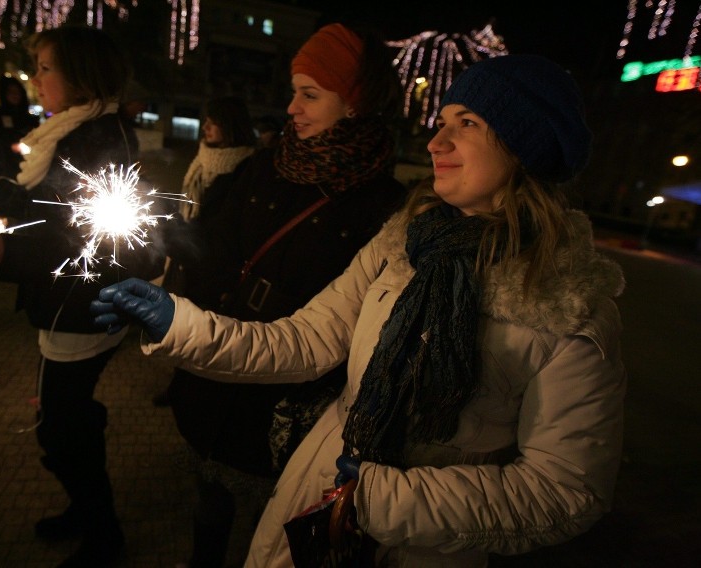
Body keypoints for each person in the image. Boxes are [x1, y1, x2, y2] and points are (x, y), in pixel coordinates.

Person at [91, 53, 627, 567]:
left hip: (418, 544)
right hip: (314, 500)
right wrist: (181, 323)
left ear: (523, 147)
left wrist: (376, 498)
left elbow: (566, 489)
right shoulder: (399, 245)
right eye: (441, 121)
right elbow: (305, 340)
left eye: (466, 123)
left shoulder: (568, 307)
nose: (437, 141)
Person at [155, 23, 407, 567]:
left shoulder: (383, 207)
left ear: (355, 102)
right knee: (208, 506)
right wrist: (161, 239)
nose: (291, 107)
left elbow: (347, 331)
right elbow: (212, 245)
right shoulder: (264, 165)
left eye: (310, 93)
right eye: (294, 90)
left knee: (271, 528)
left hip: (282, 415)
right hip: (212, 376)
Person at [0, 26, 163, 567]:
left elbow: (87, 242)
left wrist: (6, 256)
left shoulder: (92, 142)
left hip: (80, 308)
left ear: (79, 75)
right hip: (76, 303)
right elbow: (50, 210)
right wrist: (1, 192)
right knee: (69, 418)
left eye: (45, 67)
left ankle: (102, 533)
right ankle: (87, 511)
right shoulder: (75, 133)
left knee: (61, 428)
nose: (35, 78)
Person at [152, 94, 257, 405]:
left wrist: (174, 232)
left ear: (232, 126)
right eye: (206, 121)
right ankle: (179, 386)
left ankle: (191, 392)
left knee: (202, 336)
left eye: (214, 122)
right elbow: (191, 209)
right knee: (184, 332)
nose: (206, 128)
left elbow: (222, 231)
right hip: (189, 262)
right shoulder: (204, 160)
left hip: (214, 271)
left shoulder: (245, 168)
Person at [0, 74, 40, 179]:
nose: (15, 95)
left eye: (17, 91)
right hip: (7, 165)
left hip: (30, 163)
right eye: (10, 92)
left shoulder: (30, 118)